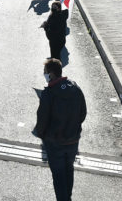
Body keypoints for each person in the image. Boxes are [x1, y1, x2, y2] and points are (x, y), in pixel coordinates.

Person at [34, 59, 86, 201]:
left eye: (45, 73)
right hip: (73, 140)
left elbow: (42, 119)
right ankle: (67, 198)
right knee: (69, 171)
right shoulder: (75, 87)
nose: (44, 75)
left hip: (54, 142)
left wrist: (41, 133)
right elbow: (83, 113)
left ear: (51, 74)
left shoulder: (48, 93)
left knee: (58, 175)